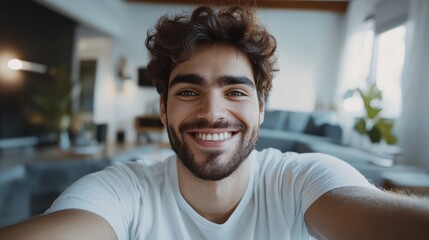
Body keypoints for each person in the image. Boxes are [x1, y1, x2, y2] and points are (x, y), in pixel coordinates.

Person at [1, 5, 428, 240]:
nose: (212, 112)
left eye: (236, 91)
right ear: (163, 110)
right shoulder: (122, 191)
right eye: (188, 91)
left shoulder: (303, 180)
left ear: (262, 108)